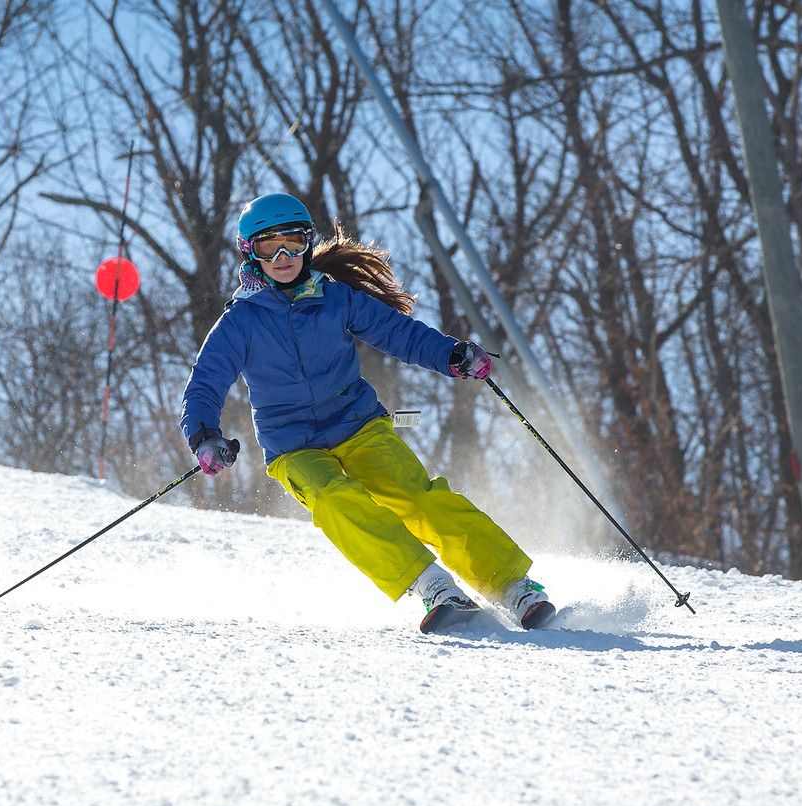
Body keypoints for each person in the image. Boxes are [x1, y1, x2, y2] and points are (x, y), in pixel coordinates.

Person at [179, 192, 554, 633]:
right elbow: (205, 381)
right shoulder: (240, 321)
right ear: (250, 253)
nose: (283, 256)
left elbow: (399, 333)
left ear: (308, 244)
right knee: (334, 499)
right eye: (268, 246)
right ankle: (431, 585)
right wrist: (205, 436)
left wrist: (451, 354)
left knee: (417, 495)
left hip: (357, 426)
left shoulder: (336, 299)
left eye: (294, 243)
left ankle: (511, 585)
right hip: (293, 447)